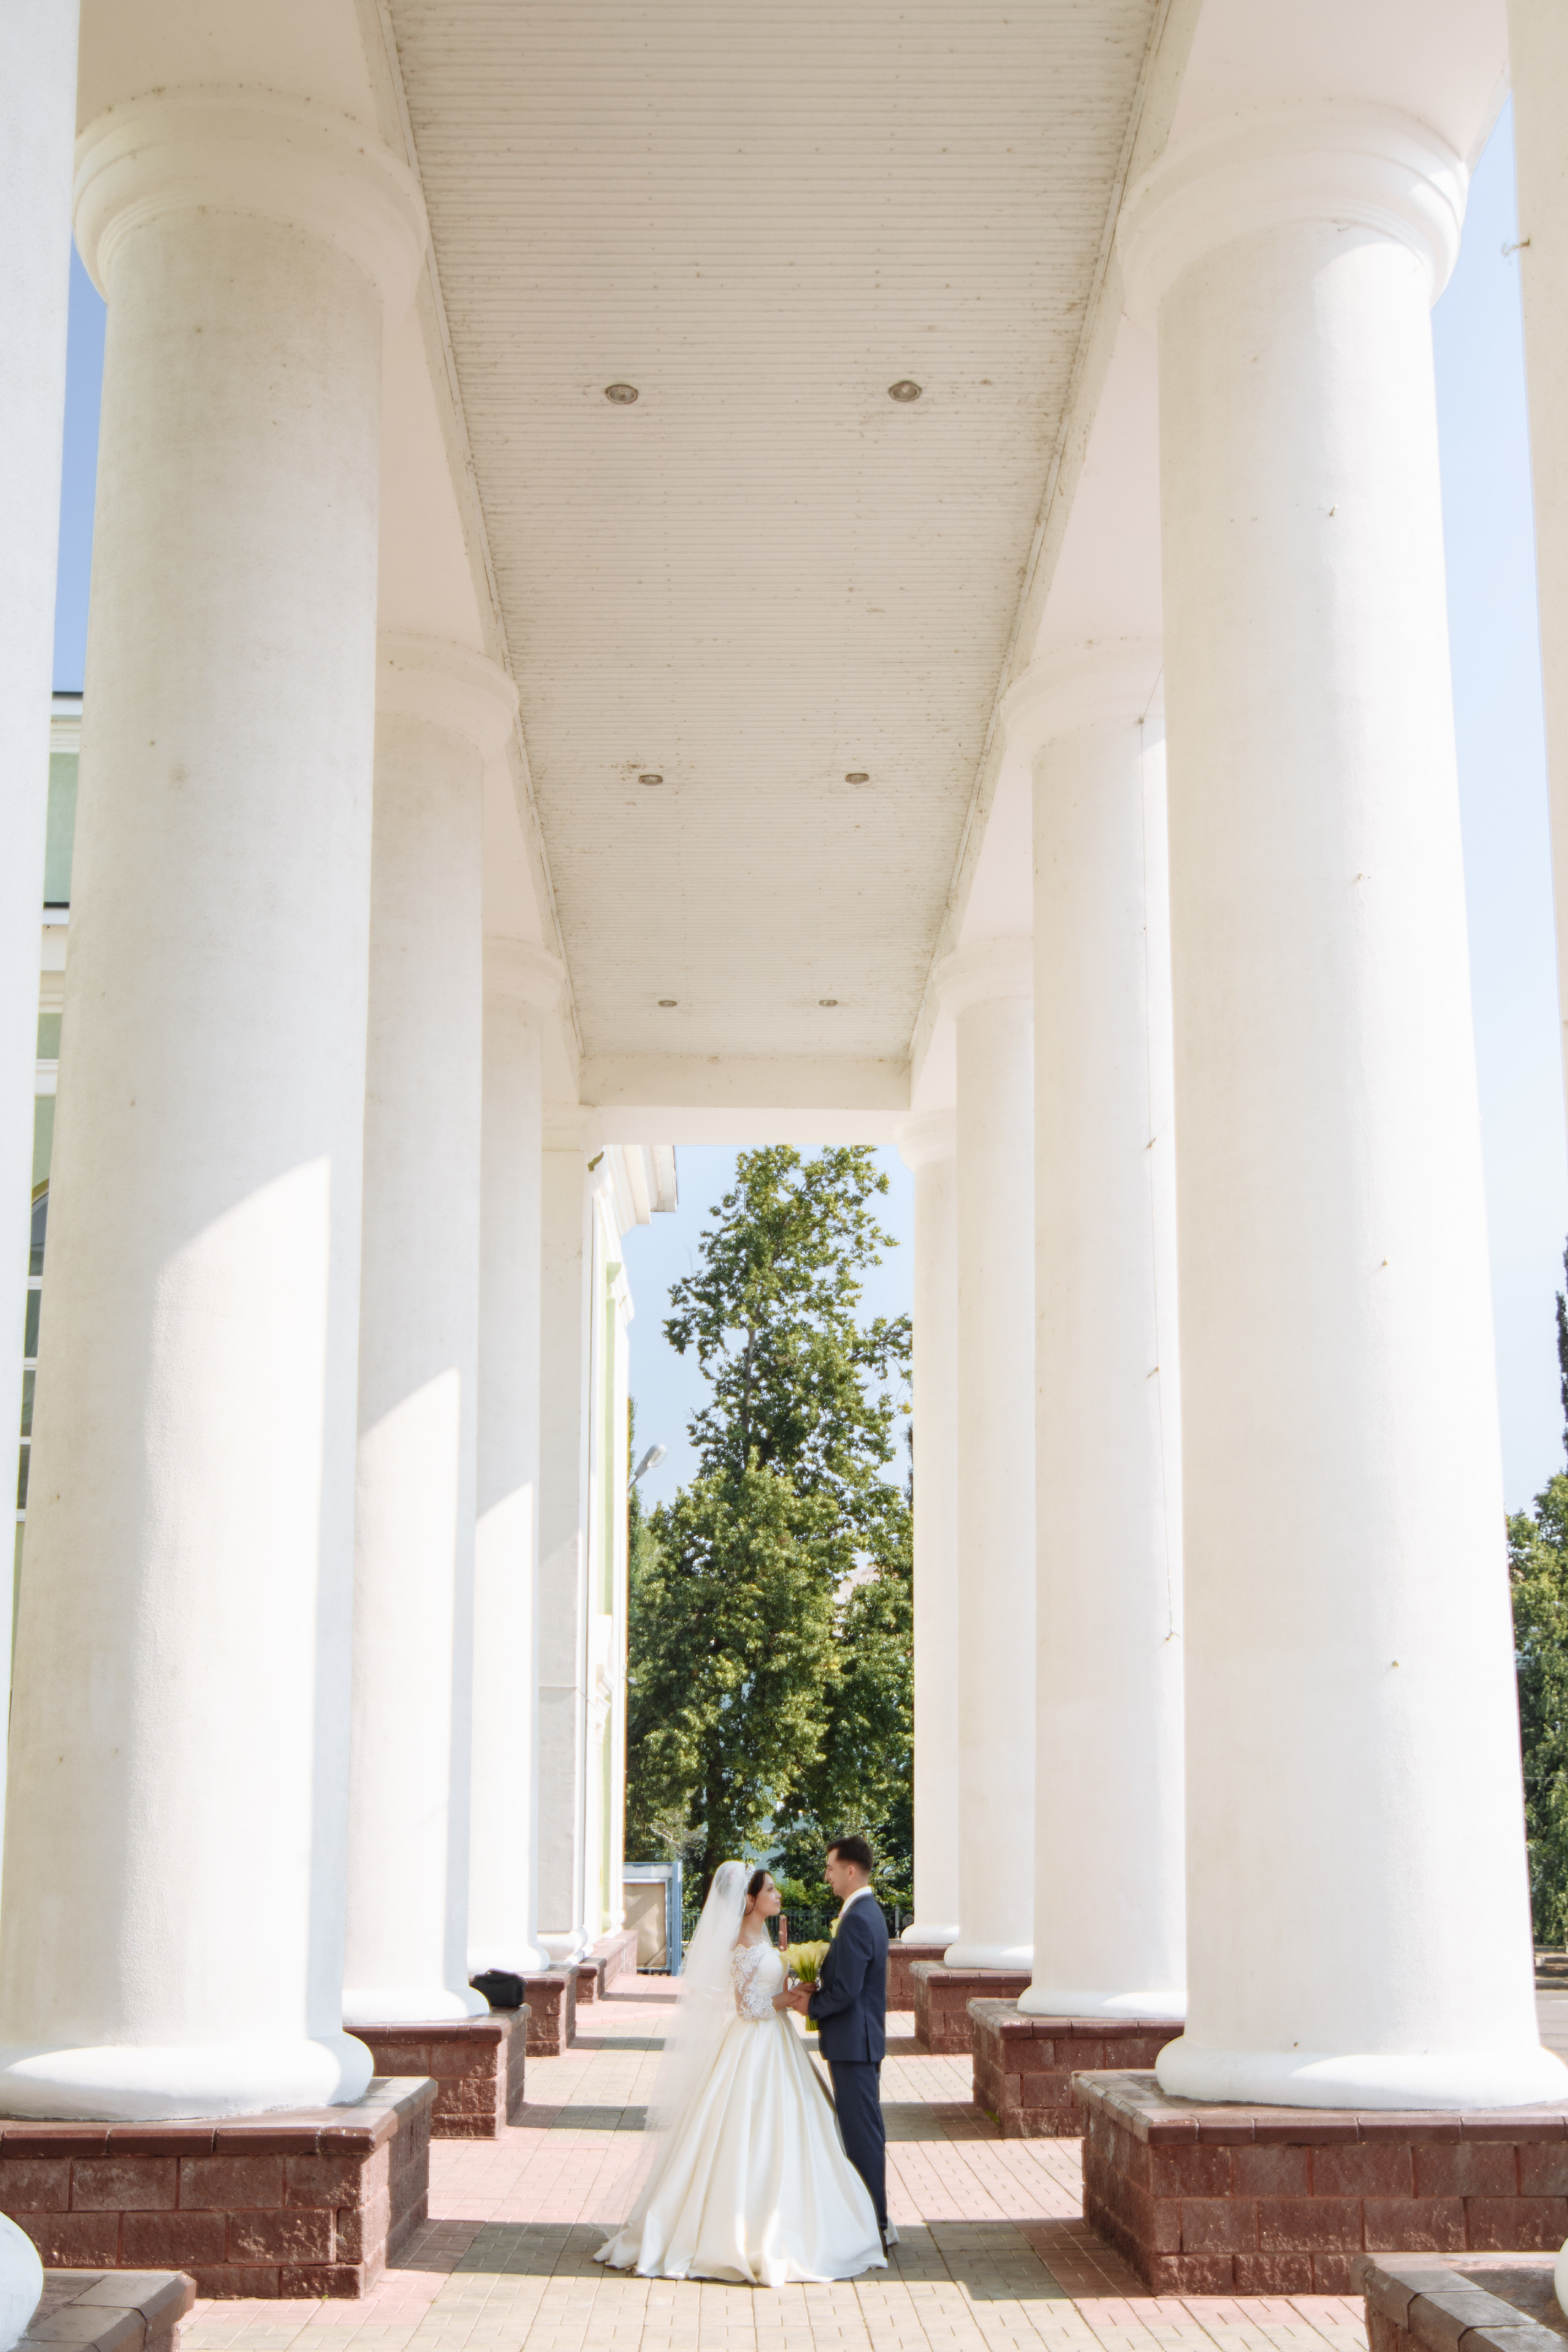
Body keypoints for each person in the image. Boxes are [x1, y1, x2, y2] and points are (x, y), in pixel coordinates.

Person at [595, 1860, 885, 2286]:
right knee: (744, 2131)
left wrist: (796, 1993)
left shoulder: (762, 1937)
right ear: (750, 1900)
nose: (778, 1895)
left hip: (777, 2041)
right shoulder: (740, 1944)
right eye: (770, 1890)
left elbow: (767, 1992)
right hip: (754, 2042)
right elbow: (748, 2007)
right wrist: (789, 2000)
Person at [775, 1834, 892, 2248]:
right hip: (857, 2042)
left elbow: (847, 1989)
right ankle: (872, 2218)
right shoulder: (864, 1912)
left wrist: (813, 2005)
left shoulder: (858, 1918)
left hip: (855, 2044)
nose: (826, 1876)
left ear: (850, 1870)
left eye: (830, 1868)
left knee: (861, 2134)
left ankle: (874, 2224)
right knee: (862, 2130)